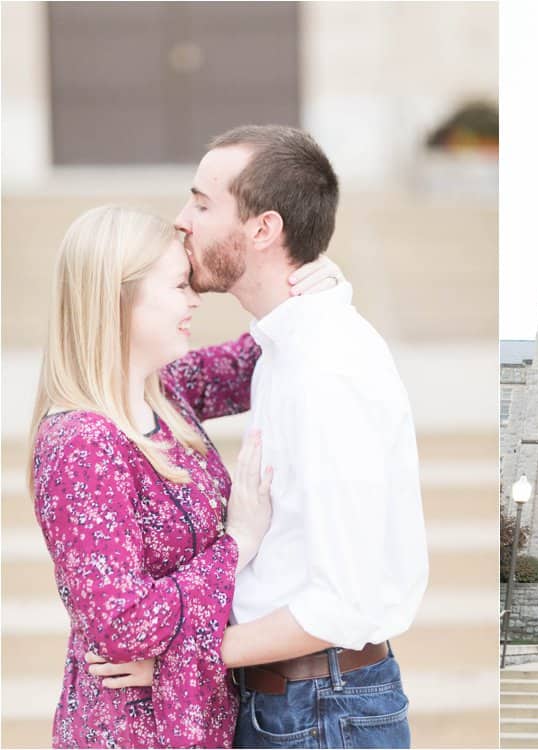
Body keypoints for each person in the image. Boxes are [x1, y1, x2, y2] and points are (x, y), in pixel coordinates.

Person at [91, 125, 429, 749]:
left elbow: (341, 605)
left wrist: (177, 659)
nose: (181, 222)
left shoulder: (326, 367)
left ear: (264, 229)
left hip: (321, 710)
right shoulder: (286, 344)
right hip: (292, 699)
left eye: (201, 202)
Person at [29, 205, 338, 748]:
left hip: (199, 717)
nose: (195, 299)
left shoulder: (163, 390)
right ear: (118, 300)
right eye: (178, 286)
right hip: (130, 732)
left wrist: (319, 289)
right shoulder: (81, 444)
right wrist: (237, 543)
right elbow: (125, 625)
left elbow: (257, 359)